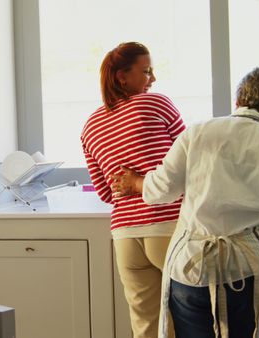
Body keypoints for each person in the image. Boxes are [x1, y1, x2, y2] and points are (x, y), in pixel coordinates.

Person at [111, 67, 259, 338]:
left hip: (191, 267)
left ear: (237, 100)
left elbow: (161, 190)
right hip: (249, 271)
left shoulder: (197, 133)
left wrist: (135, 182)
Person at [80, 42, 185, 338]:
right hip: (168, 225)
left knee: (145, 324)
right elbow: (191, 159)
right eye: (146, 71)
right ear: (122, 77)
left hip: (125, 234)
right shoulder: (156, 104)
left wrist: (130, 182)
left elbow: (104, 192)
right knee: (188, 317)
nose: (153, 79)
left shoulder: (89, 127)